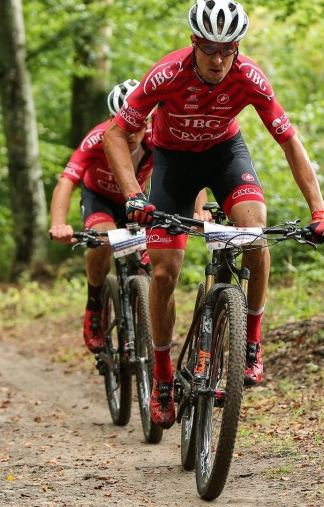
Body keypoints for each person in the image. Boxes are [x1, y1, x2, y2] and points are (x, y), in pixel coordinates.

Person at [103, 0, 324, 429]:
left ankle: (250, 342)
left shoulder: (249, 77)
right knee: (164, 273)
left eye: (227, 49)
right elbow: (115, 134)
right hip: (173, 165)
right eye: (209, 48)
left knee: (254, 233)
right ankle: (163, 378)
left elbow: (289, 141)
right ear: (194, 41)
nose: (218, 59)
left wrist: (319, 211)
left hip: (225, 155)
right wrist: (134, 195)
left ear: (237, 47)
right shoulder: (167, 74)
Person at [49, 79, 208, 354]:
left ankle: (144, 322)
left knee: (150, 264)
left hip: (135, 202)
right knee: (103, 241)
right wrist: (58, 224)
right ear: (111, 119)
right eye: (122, 121)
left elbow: (186, 171)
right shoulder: (97, 138)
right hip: (99, 200)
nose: (132, 130)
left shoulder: (157, 137)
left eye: (139, 123)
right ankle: (95, 305)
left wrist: (199, 210)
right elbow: (67, 180)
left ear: (149, 120)